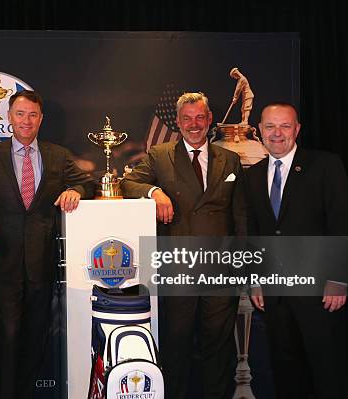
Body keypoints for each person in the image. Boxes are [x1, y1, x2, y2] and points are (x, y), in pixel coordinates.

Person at [0, 90, 95, 399]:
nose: (26, 121)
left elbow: (86, 182)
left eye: (32, 115)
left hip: (42, 262)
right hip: (3, 262)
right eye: (20, 114)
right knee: (9, 335)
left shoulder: (57, 156)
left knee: (36, 338)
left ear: (41, 119)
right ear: (9, 117)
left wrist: (76, 190)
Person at [119, 92, 246, 398]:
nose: (194, 124)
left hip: (220, 272)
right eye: (187, 118)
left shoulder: (230, 159)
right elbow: (128, 183)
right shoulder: (159, 156)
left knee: (218, 348)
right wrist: (154, 192)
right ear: (177, 121)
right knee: (176, 348)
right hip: (177, 271)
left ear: (210, 120)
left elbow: (241, 215)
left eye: (200, 117)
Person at [242, 103, 348, 398]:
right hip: (275, 295)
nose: (277, 134)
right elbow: (253, 233)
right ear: (260, 131)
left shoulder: (326, 166)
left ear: (297, 129)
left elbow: (343, 224)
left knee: (327, 370)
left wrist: (339, 278)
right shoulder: (253, 176)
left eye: (284, 126)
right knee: (286, 372)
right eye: (270, 127)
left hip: (320, 292)